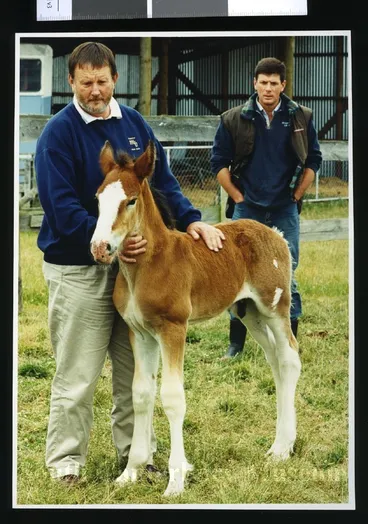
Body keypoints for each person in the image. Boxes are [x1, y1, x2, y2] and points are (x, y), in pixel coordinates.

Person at [35, 41, 225, 483]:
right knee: (78, 371)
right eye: (86, 82)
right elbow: (60, 206)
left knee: (134, 367)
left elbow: (165, 184)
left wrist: (194, 220)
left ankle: (136, 455)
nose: (95, 91)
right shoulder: (58, 134)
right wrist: (103, 241)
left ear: (116, 79)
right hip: (80, 266)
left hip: (135, 270)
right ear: (71, 83)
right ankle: (67, 462)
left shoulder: (133, 123)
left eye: (102, 81)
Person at [211, 57, 322, 358]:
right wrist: (237, 197)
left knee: (288, 275)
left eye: (275, 83)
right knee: (236, 275)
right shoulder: (234, 118)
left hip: (284, 208)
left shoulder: (301, 117)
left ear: (283, 85)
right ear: (255, 83)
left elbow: (314, 160)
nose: (269, 88)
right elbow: (218, 163)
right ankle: (236, 345)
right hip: (248, 209)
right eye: (264, 82)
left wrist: (297, 194)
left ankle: (288, 345)